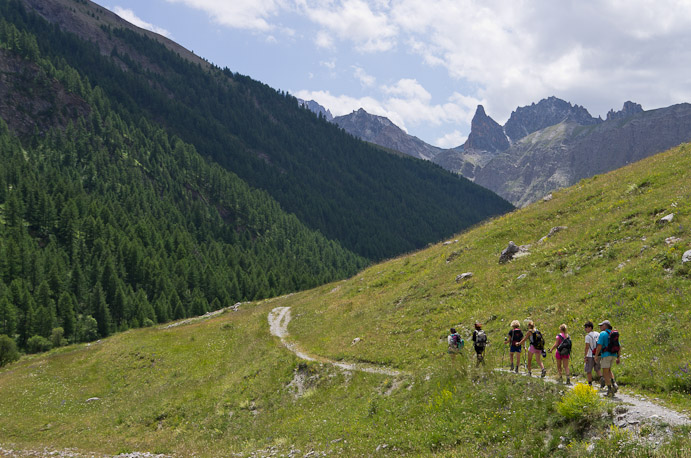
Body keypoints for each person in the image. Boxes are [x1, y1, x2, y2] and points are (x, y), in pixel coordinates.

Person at [594, 320, 620, 397]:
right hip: (613, 355)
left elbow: (599, 346)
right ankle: (614, 383)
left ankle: (609, 389)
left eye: (601, 325)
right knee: (608, 370)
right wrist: (618, 357)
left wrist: (596, 356)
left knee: (605, 372)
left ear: (605, 326)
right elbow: (619, 346)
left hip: (605, 355)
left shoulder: (603, 334)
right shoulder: (613, 334)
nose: (600, 327)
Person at [584, 321, 603, 387]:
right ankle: (601, 378)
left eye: (586, 327)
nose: (585, 329)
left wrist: (585, 356)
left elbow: (587, 347)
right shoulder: (598, 334)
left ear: (590, 327)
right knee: (597, 369)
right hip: (598, 354)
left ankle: (590, 384)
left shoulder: (588, 336)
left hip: (590, 355)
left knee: (588, 370)